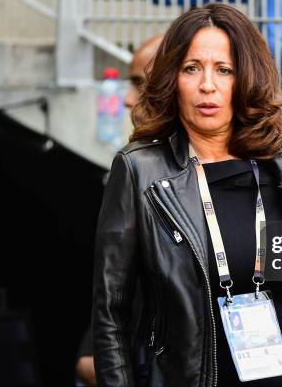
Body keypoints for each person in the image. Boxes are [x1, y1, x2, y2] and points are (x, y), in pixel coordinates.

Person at [92, 3, 282, 387]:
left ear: (248, 78)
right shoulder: (142, 170)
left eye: (225, 70)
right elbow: (111, 316)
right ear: (173, 77)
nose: (208, 85)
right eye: (192, 68)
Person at [76, 34, 163, 387]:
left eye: (140, 84)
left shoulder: (281, 177)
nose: (127, 100)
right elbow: (93, 352)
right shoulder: (135, 174)